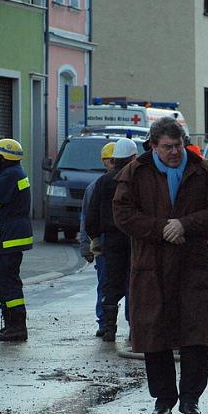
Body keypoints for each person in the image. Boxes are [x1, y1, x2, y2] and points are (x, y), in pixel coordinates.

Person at [113, 117, 208, 414]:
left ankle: (190, 399)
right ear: (153, 146)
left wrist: (184, 225)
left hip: (194, 264)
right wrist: (160, 228)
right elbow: (123, 214)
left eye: (178, 145)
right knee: (155, 333)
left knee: (196, 333)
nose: (174, 152)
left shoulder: (202, 169)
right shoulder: (135, 172)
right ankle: (163, 399)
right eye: (167, 147)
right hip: (152, 264)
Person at [87, 138, 138, 342]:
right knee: (135, 283)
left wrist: (96, 237)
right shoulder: (137, 179)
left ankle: (108, 328)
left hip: (112, 240)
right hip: (135, 238)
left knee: (111, 284)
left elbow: (92, 215)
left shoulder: (104, 181)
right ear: (133, 157)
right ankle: (135, 329)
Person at [0, 138, 33, 342]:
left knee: (5, 282)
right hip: (11, 235)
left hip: (9, 237)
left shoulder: (9, 176)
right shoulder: (14, 173)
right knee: (4, 280)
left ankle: (16, 327)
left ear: (4, 157)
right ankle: (13, 325)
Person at [79, 141, 115, 336]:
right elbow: (86, 218)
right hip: (104, 246)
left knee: (127, 285)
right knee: (105, 285)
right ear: (104, 162)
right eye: (111, 161)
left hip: (118, 245)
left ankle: (131, 325)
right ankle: (104, 323)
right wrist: (87, 247)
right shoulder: (95, 187)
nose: (114, 164)